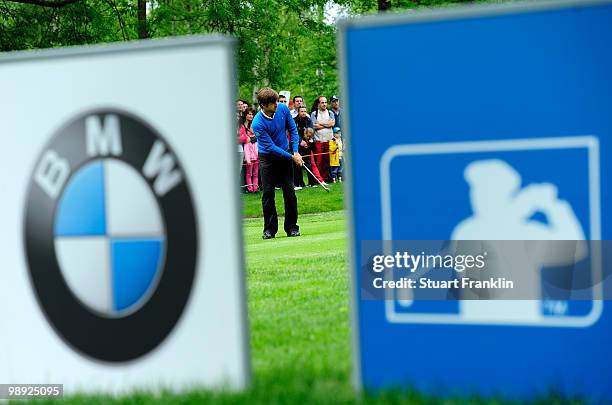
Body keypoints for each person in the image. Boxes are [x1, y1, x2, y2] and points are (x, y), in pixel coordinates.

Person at [252, 87, 303, 239]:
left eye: (276, 101)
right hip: (267, 157)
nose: (276, 104)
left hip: (286, 152)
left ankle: (292, 227)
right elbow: (270, 147)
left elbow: (293, 130)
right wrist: (291, 156)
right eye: (272, 102)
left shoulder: (282, 109)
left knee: (289, 191)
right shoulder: (257, 123)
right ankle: (269, 229)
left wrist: (294, 151)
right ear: (263, 105)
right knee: (268, 193)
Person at [311, 96, 335, 182]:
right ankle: (320, 179)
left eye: (325, 102)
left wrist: (320, 124)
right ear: (318, 104)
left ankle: (327, 178)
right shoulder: (314, 114)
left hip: (329, 140)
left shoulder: (330, 113)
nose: (324, 104)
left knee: (328, 160)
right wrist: (327, 124)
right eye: (322, 102)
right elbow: (314, 125)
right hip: (319, 140)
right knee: (319, 161)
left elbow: (332, 124)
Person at [239, 108, 259, 192]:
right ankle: (249, 188)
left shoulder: (255, 124)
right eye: (249, 114)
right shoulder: (242, 125)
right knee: (248, 173)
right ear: (245, 115)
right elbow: (244, 139)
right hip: (247, 154)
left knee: (256, 173)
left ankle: (256, 187)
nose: (251, 116)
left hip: (256, 154)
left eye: (252, 114)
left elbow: (258, 135)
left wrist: (252, 138)